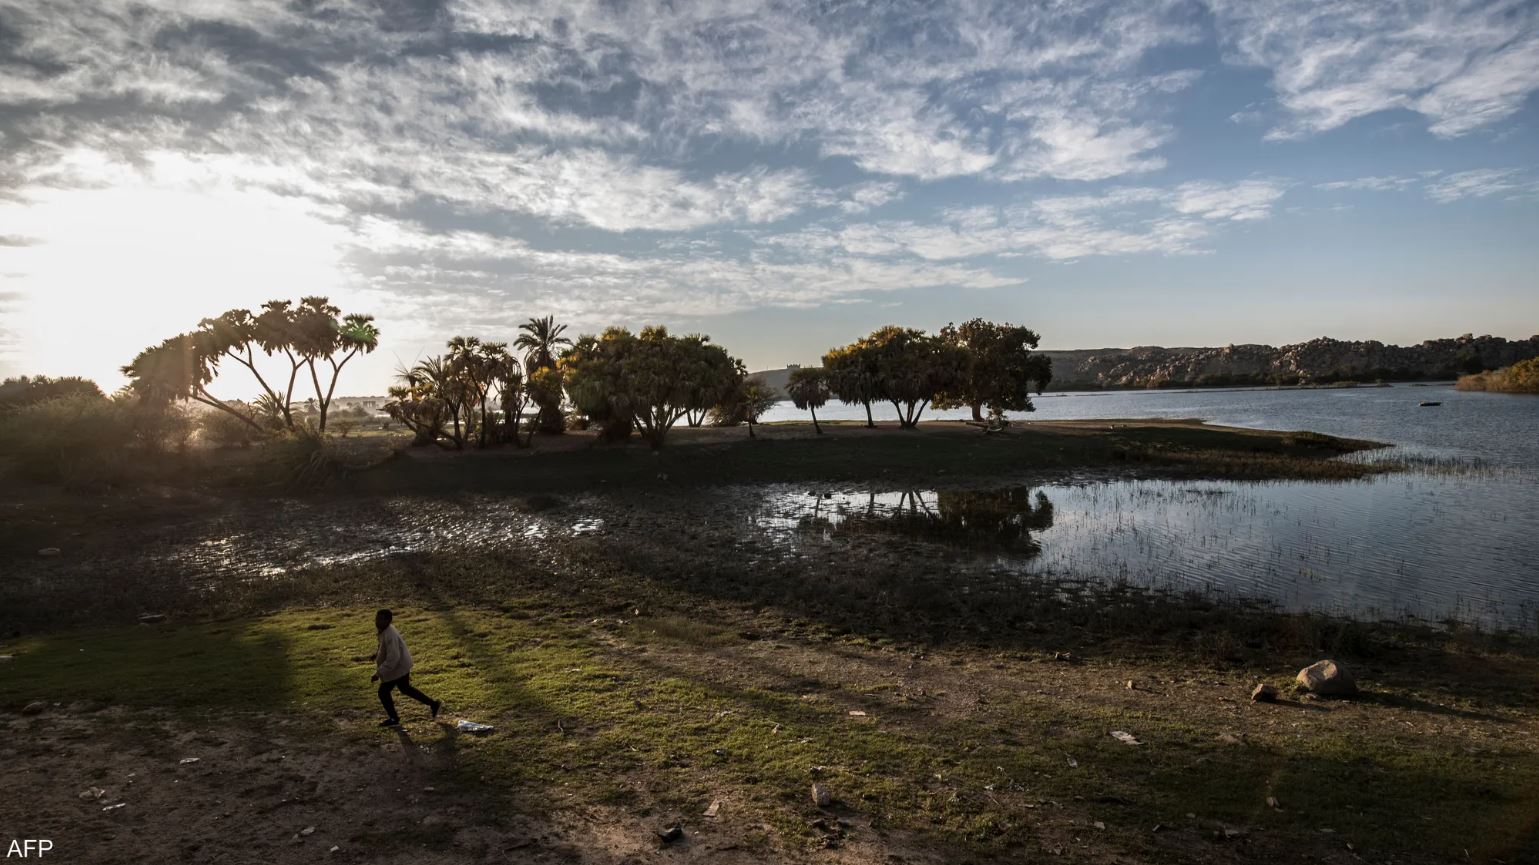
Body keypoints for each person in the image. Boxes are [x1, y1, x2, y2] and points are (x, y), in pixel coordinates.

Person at [371, 608, 441, 727]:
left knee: (383, 692)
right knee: (405, 689)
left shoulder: (390, 635)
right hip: (401, 666)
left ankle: (394, 719)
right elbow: (382, 646)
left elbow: (393, 658)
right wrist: (376, 654)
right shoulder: (385, 630)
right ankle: (433, 704)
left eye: (380, 619)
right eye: (376, 618)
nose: (377, 621)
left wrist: (378, 673)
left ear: (388, 620)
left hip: (398, 667)